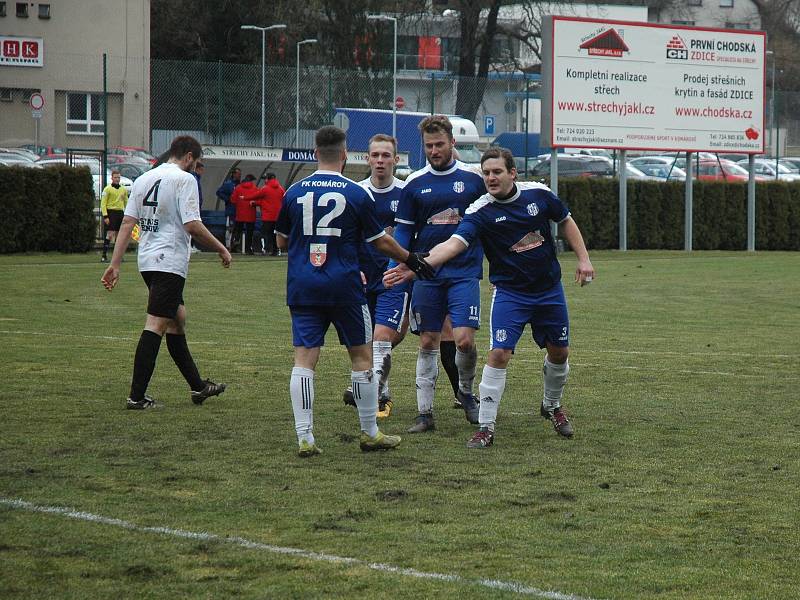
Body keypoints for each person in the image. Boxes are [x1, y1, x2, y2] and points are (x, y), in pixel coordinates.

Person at [384, 147, 595, 447]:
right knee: (499, 354)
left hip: (549, 291)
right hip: (510, 294)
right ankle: (486, 427)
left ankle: (552, 406)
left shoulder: (539, 194)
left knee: (560, 352)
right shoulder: (480, 211)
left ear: (513, 173)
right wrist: (416, 265)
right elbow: (452, 245)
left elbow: (566, 220)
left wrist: (584, 259)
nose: (491, 178)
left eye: (497, 172)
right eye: (486, 173)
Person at [274, 125, 434, 457]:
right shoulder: (355, 193)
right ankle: (370, 432)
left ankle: (305, 437)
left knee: (304, 360)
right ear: (346, 155)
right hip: (345, 285)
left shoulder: (293, 191)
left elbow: (281, 241)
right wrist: (410, 259)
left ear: (316, 153)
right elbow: (380, 241)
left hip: (303, 285)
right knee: (361, 357)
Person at [100, 135, 232, 410]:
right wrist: (221, 248)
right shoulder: (185, 180)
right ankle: (136, 397)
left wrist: (115, 263)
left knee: (177, 318)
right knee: (157, 324)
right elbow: (193, 225)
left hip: (147, 261)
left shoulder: (144, 178)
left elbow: (127, 223)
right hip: (168, 261)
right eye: (195, 163)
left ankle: (198, 387)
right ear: (188, 157)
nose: (195, 168)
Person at [391, 115, 487, 433]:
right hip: (426, 275)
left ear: (452, 143)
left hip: (464, 272)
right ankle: (424, 414)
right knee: (428, 340)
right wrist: (397, 267)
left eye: (439, 144)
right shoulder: (414, 185)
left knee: (463, 340)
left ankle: (467, 394)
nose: (434, 151)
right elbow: (403, 235)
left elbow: (488, 224)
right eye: (429, 146)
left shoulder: (474, 181)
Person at [341, 134, 408, 418]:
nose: (380, 160)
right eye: (375, 155)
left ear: (395, 159)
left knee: (383, 337)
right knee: (365, 339)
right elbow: (346, 238)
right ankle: (371, 385)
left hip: (393, 277)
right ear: (367, 158)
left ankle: (375, 393)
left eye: (386, 155)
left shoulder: (407, 193)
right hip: (361, 278)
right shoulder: (356, 193)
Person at [100, 169, 129, 262]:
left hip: (120, 213)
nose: (117, 179)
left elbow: (126, 202)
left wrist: (128, 214)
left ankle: (118, 256)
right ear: (112, 178)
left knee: (119, 235)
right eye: (115, 177)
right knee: (110, 234)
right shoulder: (107, 189)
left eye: (118, 177)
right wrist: (105, 216)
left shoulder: (123, 189)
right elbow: (103, 203)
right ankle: (104, 255)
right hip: (111, 212)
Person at [230, 174, 259, 254]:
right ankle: (248, 249)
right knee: (249, 233)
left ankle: (234, 246)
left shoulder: (238, 188)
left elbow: (233, 200)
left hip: (240, 214)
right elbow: (258, 200)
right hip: (251, 214)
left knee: (237, 231)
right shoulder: (255, 188)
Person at [257, 173, 284, 256]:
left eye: (266, 179)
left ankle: (265, 249)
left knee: (265, 233)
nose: (265, 180)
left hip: (267, 217)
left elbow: (257, 197)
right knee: (275, 233)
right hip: (278, 216)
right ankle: (276, 250)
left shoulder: (265, 189)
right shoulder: (280, 189)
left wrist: (245, 198)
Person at [216, 167, 241, 248]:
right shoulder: (228, 184)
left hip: (239, 211)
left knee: (237, 229)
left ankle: (234, 246)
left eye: (240, 174)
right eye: (238, 174)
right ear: (233, 174)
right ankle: (228, 245)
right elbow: (219, 192)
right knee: (230, 228)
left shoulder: (240, 185)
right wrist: (228, 199)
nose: (239, 175)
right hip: (231, 210)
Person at [190, 160, 205, 253]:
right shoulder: (193, 177)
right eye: (202, 170)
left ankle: (192, 245)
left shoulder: (196, 178)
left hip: (197, 205)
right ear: (198, 169)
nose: (202, 172)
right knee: (193, 225)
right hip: (194, 206)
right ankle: (190, 245)